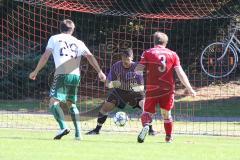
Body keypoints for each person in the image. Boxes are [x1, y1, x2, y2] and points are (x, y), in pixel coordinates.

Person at [29, 19, 106, 140]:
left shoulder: (54, 38)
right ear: (72, 29)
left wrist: (35, 71)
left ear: (60, 28)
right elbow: (90, 56)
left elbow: (45, 56)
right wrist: (100, 72)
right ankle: (78, 134)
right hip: (75, 74)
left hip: (62, 71)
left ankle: (63, 127)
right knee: (71, 103)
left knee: (53, 102)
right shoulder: (78, 42)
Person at [136, 32, 196, 143]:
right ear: (166, 42)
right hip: (167, 90)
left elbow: (138, 70)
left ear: (153, 41)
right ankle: (168, 137)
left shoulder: (148, 53)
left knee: (147, 112)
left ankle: (146, 125)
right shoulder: (173, 54)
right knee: (166, 114)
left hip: (152, 88)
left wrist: (138, 85)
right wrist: (189, 88)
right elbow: (180, 72)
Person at [86, 48, 156, 135]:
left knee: (145, 106)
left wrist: (132, 85)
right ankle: (97, 130)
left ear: (132, 58)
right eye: (123, 60)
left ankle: (150, 130)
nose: (125, 63)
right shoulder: (116, 66)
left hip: (135, 92)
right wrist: (115, 84)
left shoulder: (138, 67)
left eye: (127, 60)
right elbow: (108, 84)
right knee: (105, 108)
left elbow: (141, 88)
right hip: (120, 91)